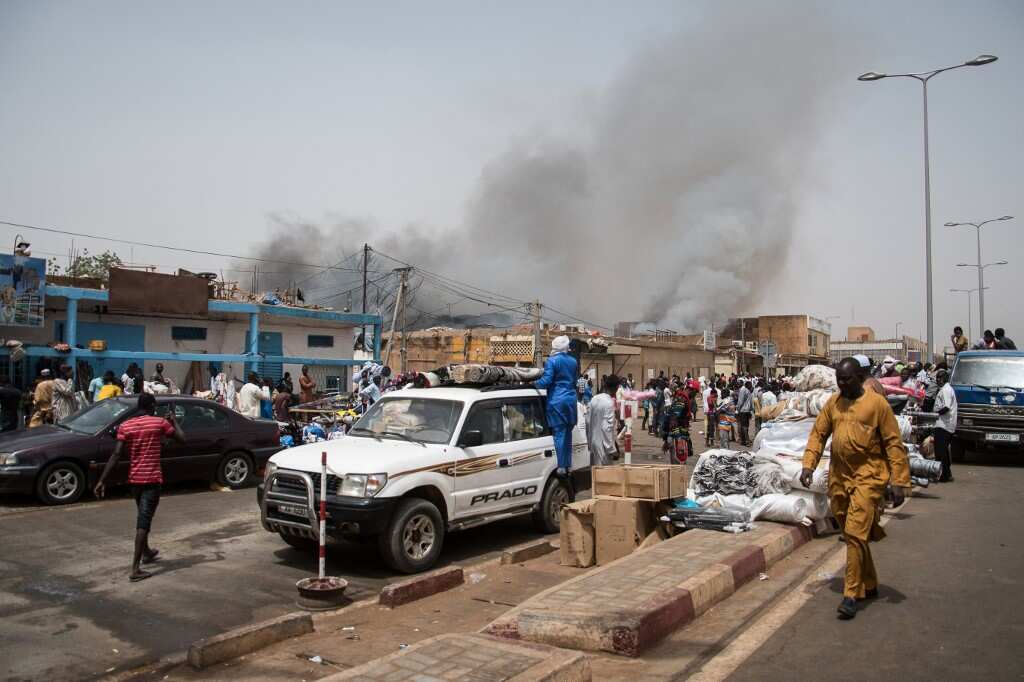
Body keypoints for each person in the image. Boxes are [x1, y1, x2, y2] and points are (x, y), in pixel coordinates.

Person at [800, 357, 910, 620]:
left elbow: (894, 444)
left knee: (854, 533)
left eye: (846, 378)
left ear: (860, 378)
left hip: (868, 477)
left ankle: (852, 594)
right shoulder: (833, 404)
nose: (841, 383)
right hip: (839, 477)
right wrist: (808, 465)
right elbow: (818, 434)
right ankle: (869, 583)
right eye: (839, 378)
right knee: (853, 533)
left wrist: (899, 481)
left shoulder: (877, 405)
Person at [94, 393, 185, 582]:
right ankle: (135, 568)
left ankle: (147, 551)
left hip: (134, 480)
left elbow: (117, 454)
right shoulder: (159, 423)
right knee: (144, 523)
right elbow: (182, 439)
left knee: (142, 515)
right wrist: (174, 421)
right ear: (152, 406)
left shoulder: (126, 426)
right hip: (151, 480)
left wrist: (102, 480)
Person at [534, 336, 579, 497]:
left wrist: (533, 384)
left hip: (557, 401)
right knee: (567, 433)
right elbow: (573, 380)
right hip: (571, 400)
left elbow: (546, 380)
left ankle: (561, 466)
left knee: (559, 433)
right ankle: (567, 465)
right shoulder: (573, 361)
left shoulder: (553, 361)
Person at [586, 375, 620, 467]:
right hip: (603, 447)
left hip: (594, 443)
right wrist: (611, 449)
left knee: (595, 474)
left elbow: (588, 422)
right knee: (604, 477)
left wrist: (589, 442)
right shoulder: (609, 403)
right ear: (615, 388)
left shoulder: (594, 399)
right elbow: (606, 428)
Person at [932, 369, 957, 483]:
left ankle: (943, 475)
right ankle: (947, 474)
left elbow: (946, 407)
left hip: (944, 424)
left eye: (940, 377)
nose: (938, 380)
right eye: (937, 377)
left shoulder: (946, 390)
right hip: (944, 423)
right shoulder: (946, 389)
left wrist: (935, 415)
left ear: (945, 379)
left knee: (940, 451)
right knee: (944, 451)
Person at [736, 381, 753, 447]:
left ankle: (745, 440)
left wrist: (737, 409)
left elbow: (742, 401)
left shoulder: (745, 391)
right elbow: (743, 401)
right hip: (745, 410)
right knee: (745, 426)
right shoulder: (745, 391)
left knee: (744, 426)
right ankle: (745, 440)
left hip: (745, 411)